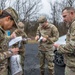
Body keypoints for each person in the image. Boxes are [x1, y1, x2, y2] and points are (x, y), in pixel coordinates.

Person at [53, 7, 75, 75]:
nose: (63, 19)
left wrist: (59, 47)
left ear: (72, 13)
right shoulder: (71, 25)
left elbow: (72, 47)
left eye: (65, 16)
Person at [0, 7, 19, 75]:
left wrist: (10, 37)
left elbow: (2, 39)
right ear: (8, 18)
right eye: (13, 24)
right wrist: (10, 52)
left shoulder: (2, 30)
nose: (11, 27)